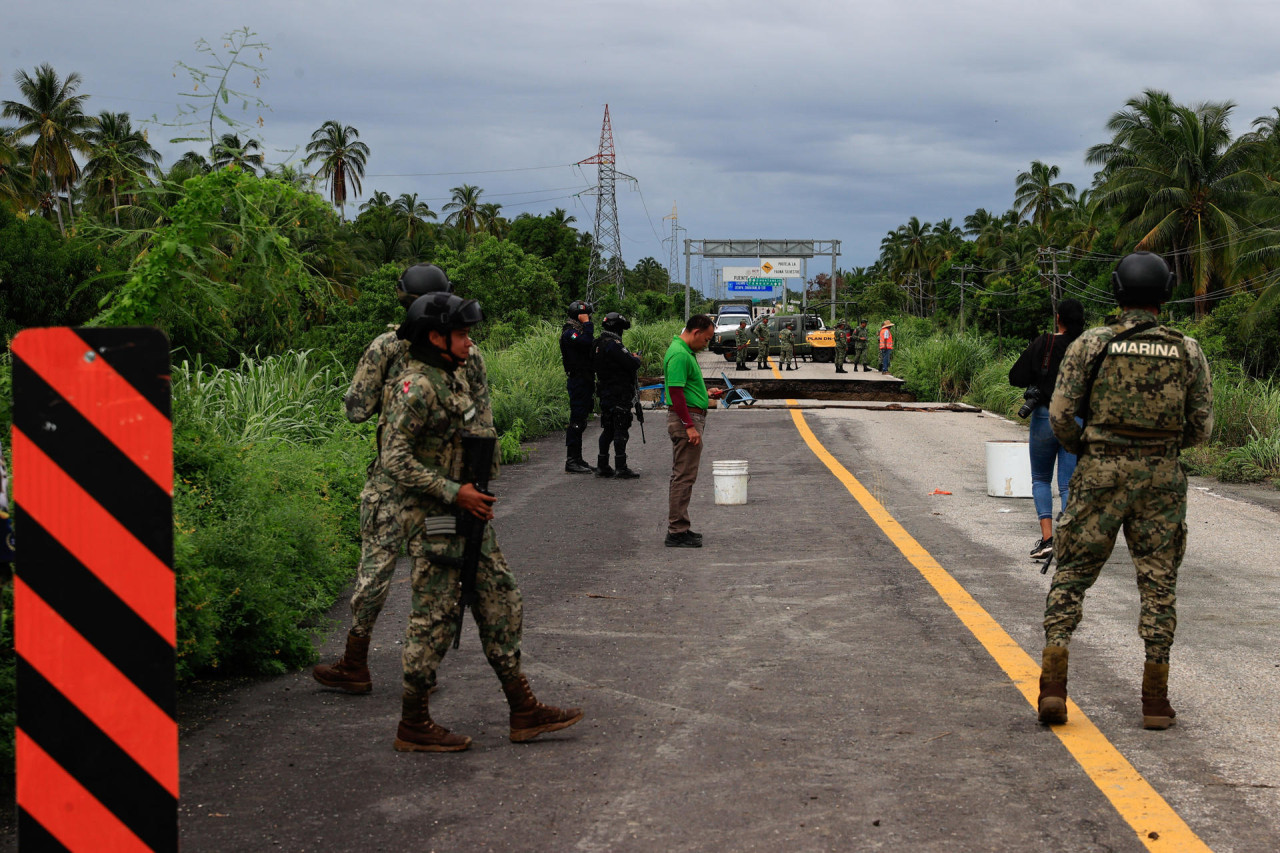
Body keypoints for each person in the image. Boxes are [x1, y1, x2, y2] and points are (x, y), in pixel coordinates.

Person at [381, 292, 583, 751]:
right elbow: (394, 458)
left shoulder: (450, 379)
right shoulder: (416, 387)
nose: (470, 343)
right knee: (434, 618)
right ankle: (413, 723)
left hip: (468, 513)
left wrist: (473, 491)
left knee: (501, 599)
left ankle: (523, 708)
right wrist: (456, 492)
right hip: (435, 519)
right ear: (435, 338)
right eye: (462, 334)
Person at [1036, 252, 1212, 731]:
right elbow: (1200, 427)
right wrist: (1160, 450)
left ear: (1115, 290)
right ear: (1165, 293)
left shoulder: (1093, 343)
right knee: (1158, 586)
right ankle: (1155, 700)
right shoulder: (1187, 350)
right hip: (1161, 480)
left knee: (1071, 575)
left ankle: (1053, 687)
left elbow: (1059, 414)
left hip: (1098, 475)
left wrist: (1090, 447)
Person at [314, 262, 493, 694]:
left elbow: (356, 409)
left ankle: (356, 663)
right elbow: (483, 424)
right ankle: (423, 671)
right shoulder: (469, 351)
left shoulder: (387, 345)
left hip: (392, 483)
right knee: (436, 575)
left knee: (375, 569)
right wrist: (475, 488)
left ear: (403, 299)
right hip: (449, 487)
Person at [1008, 299, 1085, 560]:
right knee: (1067, 484)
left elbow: (1015, 377)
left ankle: (1048, 539)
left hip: (1044, 416)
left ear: (1059, 318)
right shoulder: (1089, 347)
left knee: (1041, 479)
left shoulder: (1045, 343)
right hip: (1075, 419)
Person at [663, 314, 715, 548]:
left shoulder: (684, 352)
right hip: (686, 421)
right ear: (696, 333)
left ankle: (681, 527)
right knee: (683, 476)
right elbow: (675, 393)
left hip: (691, 416)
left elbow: (685, 387)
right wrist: (689, 426)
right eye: (706, 339)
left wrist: (706, 394)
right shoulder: (679, 354)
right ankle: (677, 531)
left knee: (685, 475)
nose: (706, 344)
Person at [593, 311, 641, 479]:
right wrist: (637, 358)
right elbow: (631, 363)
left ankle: (602, 465)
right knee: (621, 428)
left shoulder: (598, 343)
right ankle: (621, 467)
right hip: (618, 392)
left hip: (605, 391)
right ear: (618, 328)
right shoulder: (613, 344)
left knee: (608, 429)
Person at [560, 300, 596, 474]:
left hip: (585, 379)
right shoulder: (570, 333)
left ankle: (578, 458)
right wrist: (587, 324)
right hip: (578, 381)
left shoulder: (578, 332)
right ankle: (571, 460)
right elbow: (587, 342)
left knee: (581, 420)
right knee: (576, 420)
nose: (590, 319)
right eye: (587, 315)